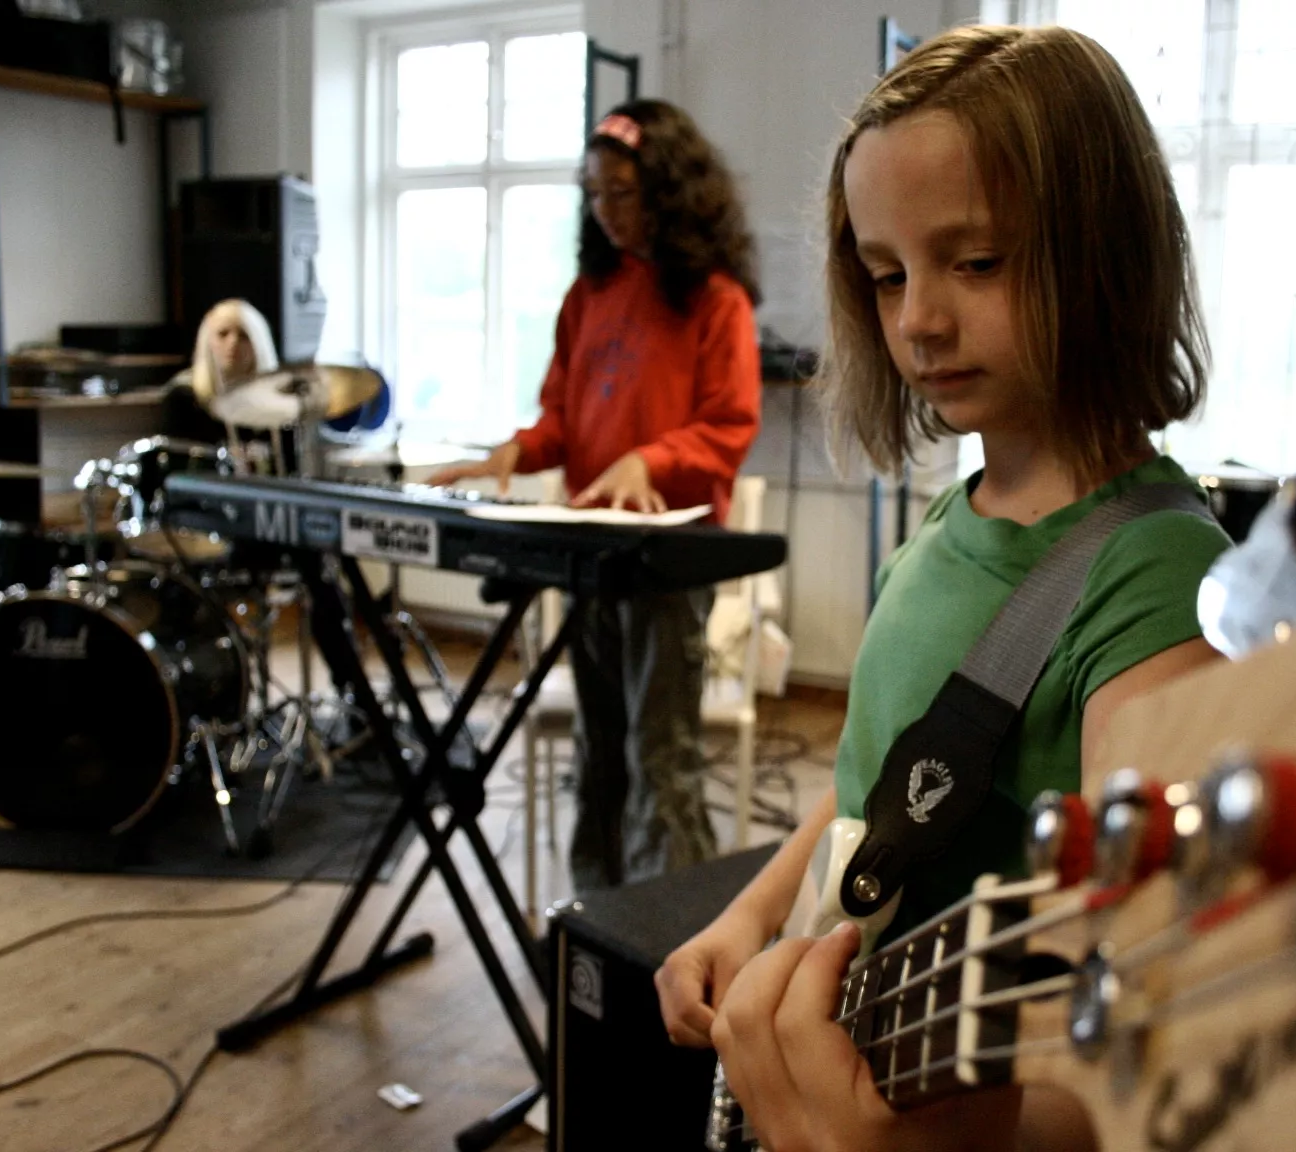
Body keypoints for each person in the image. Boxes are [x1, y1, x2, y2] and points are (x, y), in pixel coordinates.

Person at [654, 25, 1233, 1151]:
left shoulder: (1156, 581)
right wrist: (753, 915)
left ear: (1104, 253)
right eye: (887, 275)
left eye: (978, 262)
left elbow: (1148, 1043)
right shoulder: (947, 523)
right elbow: (876, 792)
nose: (918, 318)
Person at [428, 100, 763, 891]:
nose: (605, 210)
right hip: (592, 555)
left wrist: (653, 461)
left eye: (622, 192)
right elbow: (562, 420)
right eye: (593, 193)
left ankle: (668, 932)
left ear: (669, 191)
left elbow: (731, 424)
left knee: (661, 755)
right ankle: (597, 917)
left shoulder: (715, 300)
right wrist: (515, 451)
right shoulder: (589, 295)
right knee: (598, 752)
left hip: (668, 559)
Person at [161, 298, 294, 473]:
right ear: (207, 341)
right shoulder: (184, 396)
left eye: (244, 335)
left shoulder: (281, 400)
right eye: (223, 334)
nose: (233, 343)